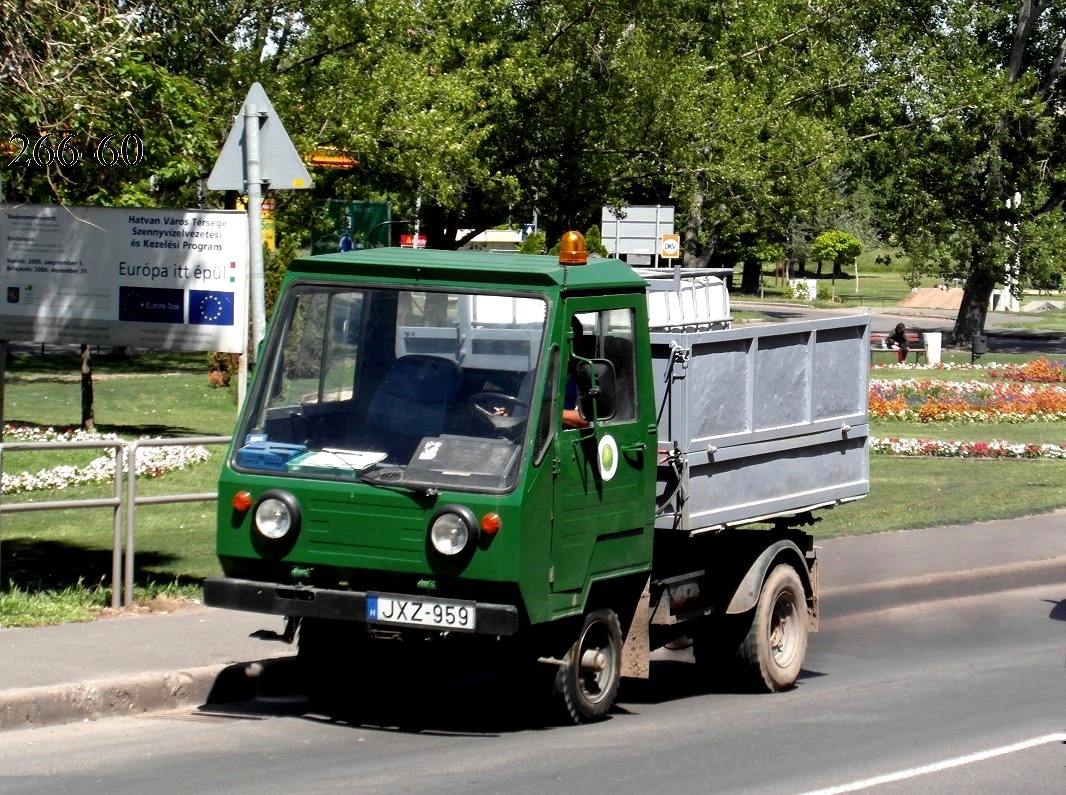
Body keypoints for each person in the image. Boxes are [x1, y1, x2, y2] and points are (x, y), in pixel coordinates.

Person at [562, 316, 590, 429]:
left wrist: (547, 412)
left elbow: (585, 419)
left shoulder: (586, 378)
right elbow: (521, 414)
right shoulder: (534, 377)